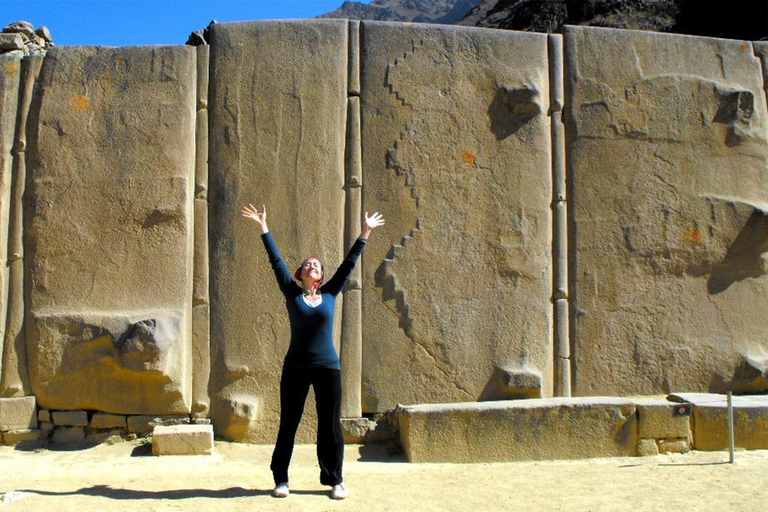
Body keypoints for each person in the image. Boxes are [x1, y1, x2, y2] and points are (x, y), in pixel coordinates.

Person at [240, 203, 385, 500]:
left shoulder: (331, 292)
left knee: (330, 425)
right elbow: (275, 261)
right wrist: (263, 227)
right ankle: (281, 479)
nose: (313, 265)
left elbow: (348, 264)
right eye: (308, 263)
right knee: (289, 424)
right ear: (301, 273)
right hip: (295, 367)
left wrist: (365, 232)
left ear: (320, 276)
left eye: (317, 265)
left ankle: (335, 479)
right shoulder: (291, 292)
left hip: (328, 367)